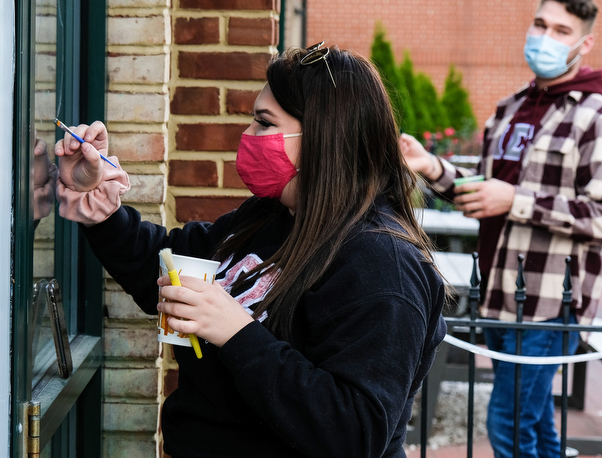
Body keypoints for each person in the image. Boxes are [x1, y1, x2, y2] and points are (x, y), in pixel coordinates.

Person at [55, 44, 446, 457]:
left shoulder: (383, 265)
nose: (247, 136)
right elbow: (170, 266)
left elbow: (354, 433)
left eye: (264, 123)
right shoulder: (272, 216)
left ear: (323, 136)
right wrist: (100, 205)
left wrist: (237, 331)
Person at [400, 1, 602, 456]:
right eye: (540, 24)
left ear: (586, 43)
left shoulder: (599, 116)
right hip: (499, 292)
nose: (545, 37)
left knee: (507, 424)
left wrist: (515, 201)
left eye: (562, 30)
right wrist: (430, 165)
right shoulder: (510, 107)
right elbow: (481, 191)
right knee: (535, 423)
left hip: (548, 301)